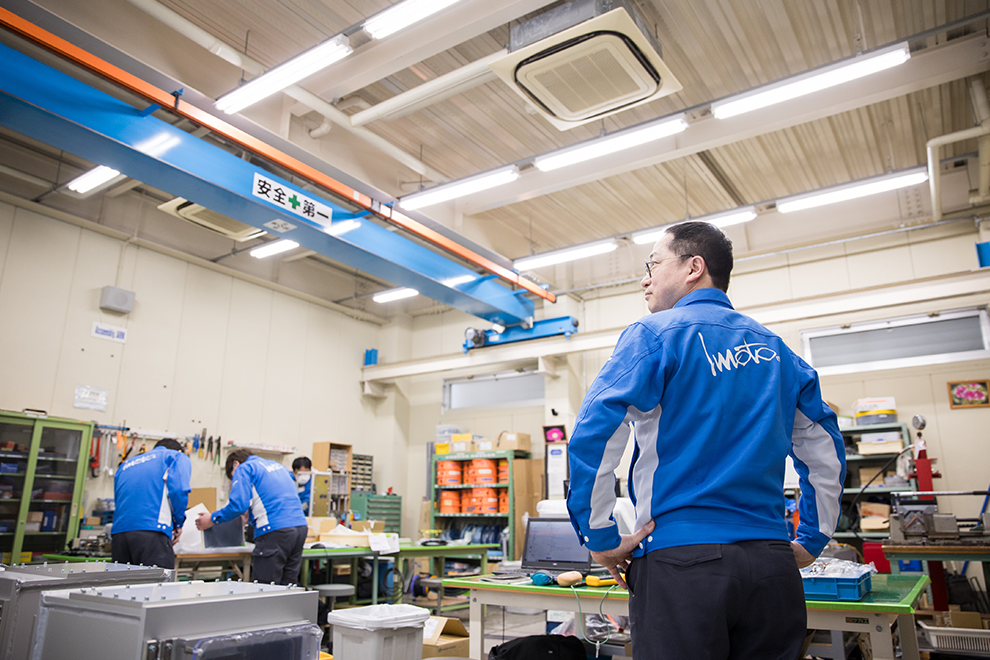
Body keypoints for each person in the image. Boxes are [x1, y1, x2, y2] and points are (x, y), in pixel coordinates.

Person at [566, 221, 846, 660]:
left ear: (694, 267)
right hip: (772, 568)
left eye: (653, 265)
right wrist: (812, 538)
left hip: (682, 565)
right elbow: (825, 449)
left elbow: (594, 432)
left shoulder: (654, 336)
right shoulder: (777, 350)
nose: (645, 279)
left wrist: (598, 534)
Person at [196, 449, 308, 585]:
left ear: (235, 464)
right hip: (300, 528)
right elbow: (272, 498)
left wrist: (212, 518)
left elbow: (238, 506)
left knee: (265, 587)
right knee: (288, 585)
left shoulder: (244, 468)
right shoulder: (278, 467)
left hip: (274, 531)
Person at [111, 438, 191, 569]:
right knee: (157, 582)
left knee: (122, 582)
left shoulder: (125, 465)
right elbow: (179, 490)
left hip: (119, 535)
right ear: (179, 450)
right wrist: (178, 524)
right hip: (153, 532)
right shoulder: (176, 456)